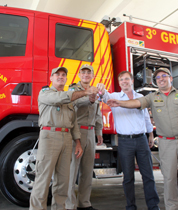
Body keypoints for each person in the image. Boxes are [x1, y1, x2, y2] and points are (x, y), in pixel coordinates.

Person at [106, 68, 178, 210]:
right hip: (165, 142)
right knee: (169, 179)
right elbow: (135, 103)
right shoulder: (152, 97)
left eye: (164, 76)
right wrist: (119, 103)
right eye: (158, 77)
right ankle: (171, 208)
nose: (161, 79)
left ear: (170, 78)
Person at [30, 66, 98, 210]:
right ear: (51, 78)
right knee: (43, 179)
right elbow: (59, 98)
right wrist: (86, 92)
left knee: (63, 181)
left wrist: (78, 142)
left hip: (67, 138)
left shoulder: (69, 99)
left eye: (63, 75)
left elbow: (73, 123)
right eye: (57, 75)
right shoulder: (45, 93)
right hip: (50, 137)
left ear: (66, 79)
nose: (61, 77)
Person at [97, 71, 160, 210]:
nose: (124, 81)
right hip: (125, 142)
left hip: (142, 139)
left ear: (132, 81)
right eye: (121, 80)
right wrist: (100, 88)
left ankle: (153, 206)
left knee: (148, 175)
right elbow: (101, 95)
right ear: (119, 83)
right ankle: (131, 206)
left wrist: (150, 134)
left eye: (126, 79)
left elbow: (145, 117)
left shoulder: (140, 97)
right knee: (128, 177)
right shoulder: (114, 96)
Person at [66, 64, 103, 210]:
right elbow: (72, 105)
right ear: (79, 75)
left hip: (90, 133)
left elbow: (98, 112)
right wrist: (89, 99)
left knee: (87, 171)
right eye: (84, 72)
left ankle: (84, 203)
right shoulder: (73, 90)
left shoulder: (95, 90)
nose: (86, 75)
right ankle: (70, 205)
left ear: (92, 75)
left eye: (89, 72)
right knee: (71, 170)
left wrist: (99, 131)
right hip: (76, 132)